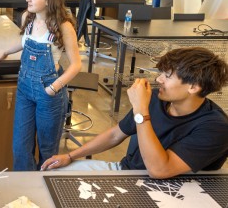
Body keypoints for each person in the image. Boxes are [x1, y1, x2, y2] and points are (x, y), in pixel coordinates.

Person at [42, 47, 228, 179]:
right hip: (127, 171)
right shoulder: (156, 98)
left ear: (194, 87)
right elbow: (116, 134)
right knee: (51, 174)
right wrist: (70, 156)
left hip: (172, 188)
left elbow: (159, 171)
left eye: (167, 76)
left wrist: (141, 110)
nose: (158, 79)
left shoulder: (215, 127)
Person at [0, 0, 81, 171]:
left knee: (47, 151)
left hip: (48, 92)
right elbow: (25, 41)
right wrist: (6, 51)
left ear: (49, 0)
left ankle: (43, 192)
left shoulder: (63, 26)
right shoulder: (29, 17)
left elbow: (76, 65)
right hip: (24, 89)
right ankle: (25, 190)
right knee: (20, 148)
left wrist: (53, 88)